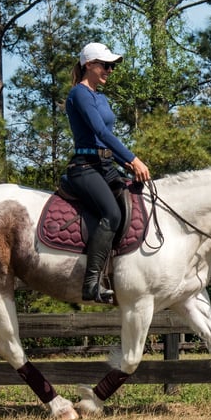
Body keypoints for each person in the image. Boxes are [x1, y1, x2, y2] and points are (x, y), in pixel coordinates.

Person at [65, 42, 151, 304]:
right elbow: (100, 133)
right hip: (84, 168)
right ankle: (91, 283)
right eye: (106, 65)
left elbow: (105, 139)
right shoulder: (79, 94)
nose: (110, 70)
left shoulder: (100, 97)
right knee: (111, 214)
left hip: (105, 166)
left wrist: (123, 163)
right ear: (88, 65)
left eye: (112, 66)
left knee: (139, 198)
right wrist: (133, 158)